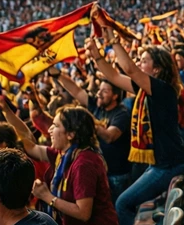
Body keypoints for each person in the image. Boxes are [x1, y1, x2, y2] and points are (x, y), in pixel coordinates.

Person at [87, 32, 184, 225]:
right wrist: (97, 57)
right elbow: (115, 77)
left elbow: (129, 70)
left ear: (157, 69)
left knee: (123, 203)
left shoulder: (161, 89)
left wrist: (112, 40)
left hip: (169, 165)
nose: (139, 64)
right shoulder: (148, 90)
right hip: (161, 163)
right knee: (125, 201)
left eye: (144, 60)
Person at [53, 70, 133, 203]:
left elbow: (109, 137)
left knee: (116, 208)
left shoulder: (121, 114)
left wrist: (87, 121)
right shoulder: (97, 105)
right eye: (99, 90)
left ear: (115, 96)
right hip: (100, 171)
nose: (99, 94)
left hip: (117, 175)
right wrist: (57, 75)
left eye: (105, 91)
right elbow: (76, 91)